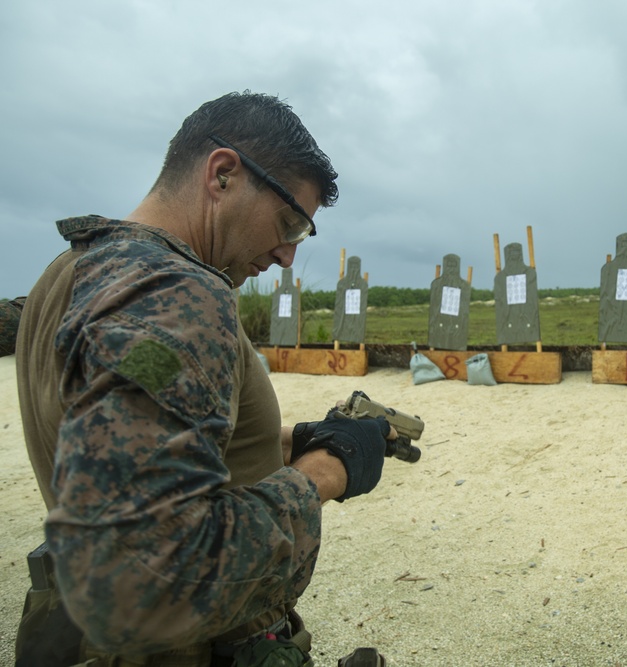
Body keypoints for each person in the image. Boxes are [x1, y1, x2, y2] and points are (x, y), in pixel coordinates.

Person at [14, 91, 393, 667]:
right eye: (290, 221)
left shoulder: (76, 273)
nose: (289, 254)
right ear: (223, 175)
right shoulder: (179, 294)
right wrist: (329, 472)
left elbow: (132, 427)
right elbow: (163, 571)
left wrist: (285, 443)